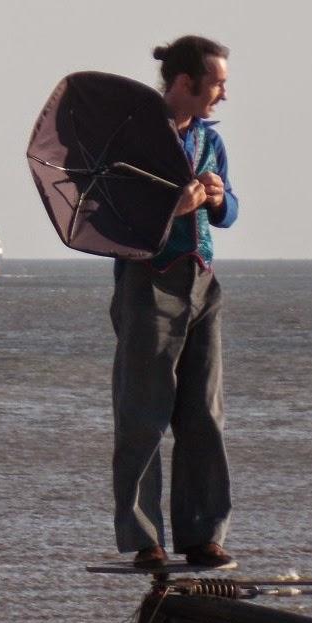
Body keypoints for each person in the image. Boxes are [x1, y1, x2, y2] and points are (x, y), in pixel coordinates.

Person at [110, 34, 239, 569]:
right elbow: (108, 219)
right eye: (217, 84)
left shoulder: (210, 140)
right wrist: (172, 206)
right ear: (185, 83)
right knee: (143, 416)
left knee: (204, 415)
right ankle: (144, 539)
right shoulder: (134, 139)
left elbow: (231, 212)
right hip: (148, 284)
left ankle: (203, 534)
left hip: (203, 283)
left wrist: (214, 198)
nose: (224, 96)